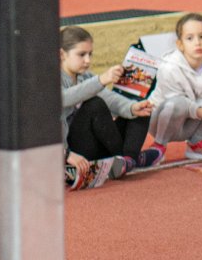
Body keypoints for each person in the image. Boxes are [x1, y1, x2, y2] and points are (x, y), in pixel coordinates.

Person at [59, 26, 160, 188]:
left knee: (140, 109)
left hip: (96, 147)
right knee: (94, 104)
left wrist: (132, 107)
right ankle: (131, 159)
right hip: (72, 152)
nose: (88, 60)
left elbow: (110, 99)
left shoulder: (85, 76)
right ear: (62, 54)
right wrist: (66, 154)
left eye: (90, 54)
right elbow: (65, 98)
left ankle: (127, 160)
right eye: (81, 55)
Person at [150, 13, 202, 163]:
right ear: (180, 44)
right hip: (163, 121)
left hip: (191, 121)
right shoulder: (169, 68)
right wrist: (201, 110)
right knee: (178, 103)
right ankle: (158, 146)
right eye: (190, 38)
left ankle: (197, 143)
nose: (197, 43)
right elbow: (177, 103)